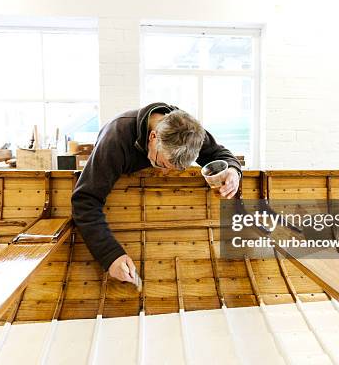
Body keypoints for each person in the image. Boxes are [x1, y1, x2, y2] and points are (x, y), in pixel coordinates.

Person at [71, 102, 242, 283]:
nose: (164, 174)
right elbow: (85, 201)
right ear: (153, 137)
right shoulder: (115, 139)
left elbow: (221, 154)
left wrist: (233, 170)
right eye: (162, 164)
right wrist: (110, 256)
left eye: (174, 169)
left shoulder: (189, 132)